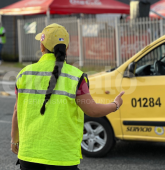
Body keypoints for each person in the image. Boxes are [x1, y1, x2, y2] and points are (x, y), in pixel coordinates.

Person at [11, 23, 124, 170]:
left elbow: (16, 111)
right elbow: (93, 111)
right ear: (67, 48)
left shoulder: (24, 74)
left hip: (29, 153)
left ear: (42, 47)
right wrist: (115, 104)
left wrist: (15, 139)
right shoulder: (76, 76)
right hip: (61, 156)